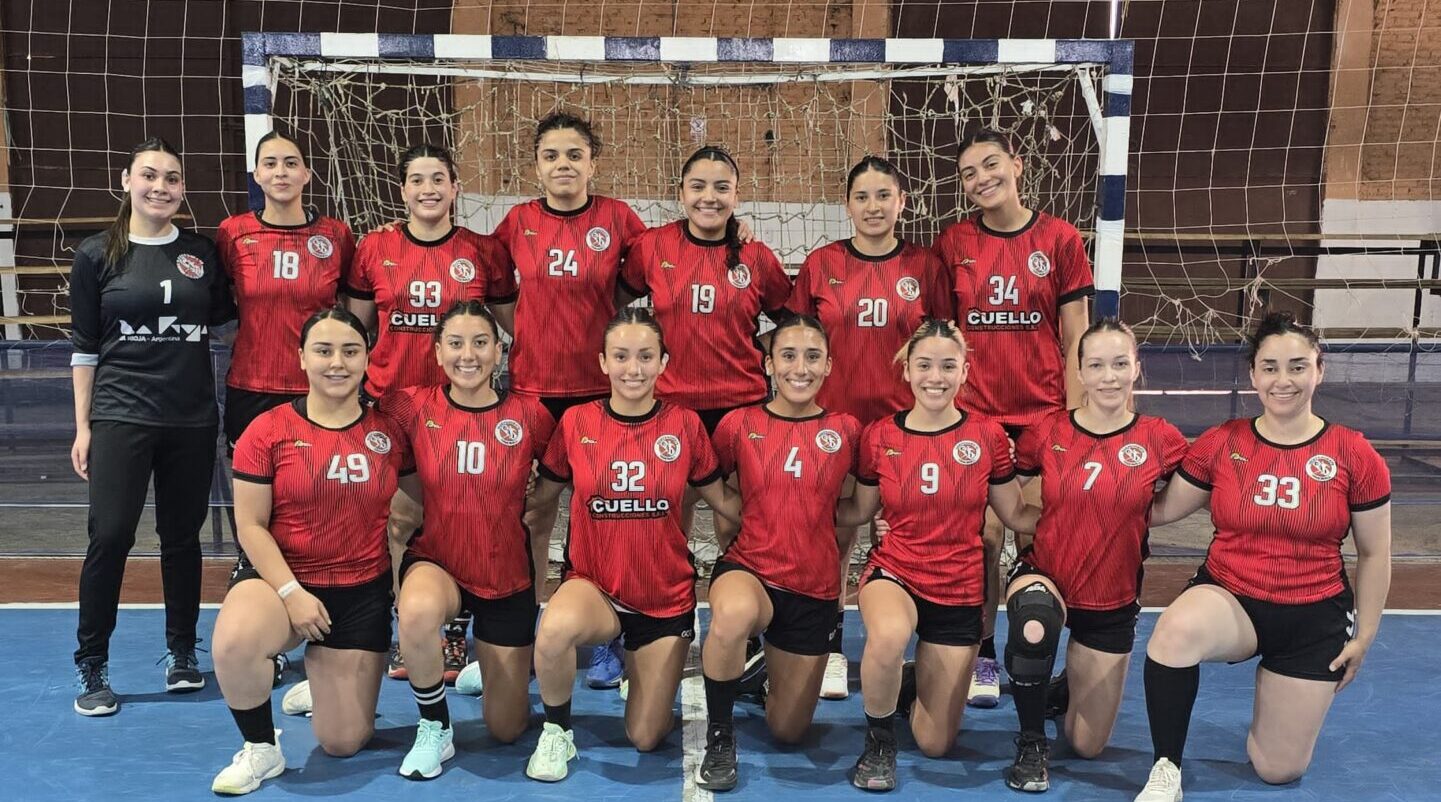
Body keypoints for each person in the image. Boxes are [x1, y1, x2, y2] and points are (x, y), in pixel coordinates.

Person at [1133, 312, 1391, 802]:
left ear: (1320, 370)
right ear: (1253, 374)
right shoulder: (1223, 442)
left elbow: (1375, 553)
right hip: (1233, 599)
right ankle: (1166, 767)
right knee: (1173, 632)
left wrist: (1367, 637)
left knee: (1277, 770)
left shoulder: (1354, 454)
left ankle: (1276, 702)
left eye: (1297, 366)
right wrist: (1095, 493)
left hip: (1313, 618)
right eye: (1270, 367)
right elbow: (1161, 510)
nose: (1283, 380)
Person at [523, 308, 742, 782]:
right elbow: (543, 495)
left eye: (646, 356)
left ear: (664, 362)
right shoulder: (578, 422)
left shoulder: (683, 425)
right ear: (602, 362)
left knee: (645, 736)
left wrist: (796, 517)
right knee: (554, 630)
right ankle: (557, 731)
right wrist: (501, 494)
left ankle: (642, 673)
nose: (633, 368)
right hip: (595, 585)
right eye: (621, 356)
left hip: (663, 599)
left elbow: (723, 501)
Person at [209, 307, 412, 795]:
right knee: (235, 642)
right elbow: (251, 526)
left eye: (350, 350)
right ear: (301, 358)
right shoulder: (268, 430)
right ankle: (261, 748)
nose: (336, 363)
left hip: (361, 590)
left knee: (343, 742)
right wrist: (290, 591)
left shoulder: (389, 434)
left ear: (367, 359)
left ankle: (321, 682)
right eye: (323, 351)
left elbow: (422, 508)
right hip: (281, 581)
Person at [69, 136, 237, 716]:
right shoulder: (96, 255)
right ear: (126, 181)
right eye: (149, 175)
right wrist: (83, 426)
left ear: (183, 189)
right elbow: (85, 348)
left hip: (190, 418)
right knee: (111, 535)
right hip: (120, 414)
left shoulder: (201, 252)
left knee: (182, 539)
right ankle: (92, 664)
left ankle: (181, 654)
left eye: (171, 178)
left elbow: (226, 322)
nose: (160, 186)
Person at [837, 319, 1036, 792]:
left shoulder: (987, 437)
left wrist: (1096, 513)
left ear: (965, 372)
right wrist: (786, 506)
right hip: (897, 571)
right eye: (924, 365)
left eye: (948, 366)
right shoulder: (879, 435)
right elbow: (859, 509)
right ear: (906, 370)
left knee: (935, 743)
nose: (935, 376)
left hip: (959, 587)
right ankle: (879, 740)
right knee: (887, 634)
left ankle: (906, 687)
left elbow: (1015, 514)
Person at [933, 128, 1093, 707]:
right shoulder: (953, 243)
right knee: (982, 539)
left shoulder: (1060, 239)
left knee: (1043, 539)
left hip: (1044, 415)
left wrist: (1075, 420)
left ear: (1018, 165)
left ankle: (1048, 660)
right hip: (976, 419)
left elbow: (1075, 333)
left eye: (991, 164)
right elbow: (944, 334)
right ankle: (983, 653)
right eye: (969, 172)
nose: (981, 178)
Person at [344, 143, 516, 680]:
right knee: (400, 518)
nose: (428, 189)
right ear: (402, 190)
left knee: (462, 516)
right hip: (394, 407)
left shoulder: (484, 250)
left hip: (463, 411)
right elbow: (356, 329)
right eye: (417, 180)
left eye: (438, 178)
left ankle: (456, 632)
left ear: (455, 188)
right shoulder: (374, 248)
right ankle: (407, 629)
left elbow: (515, 326)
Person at [784, 155, 953, 699]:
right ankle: (832, 647)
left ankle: (938, 650)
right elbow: (798, 341)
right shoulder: (822, 262)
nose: (873, 206)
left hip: (908, 431)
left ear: (902, 202)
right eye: (862, 197)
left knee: (920, 539)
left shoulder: (925, 267)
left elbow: (945, 347)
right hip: (834, 428)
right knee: (834, 536)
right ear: (848, 205)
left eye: (884, 195)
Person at [492, 112, 647, 690]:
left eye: (574, 154)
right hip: (532, 393)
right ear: (536, 165)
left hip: (598, 395)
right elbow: (498, 292)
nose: (563, 164)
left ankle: (608, 637)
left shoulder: (618, 219)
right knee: (532, 514)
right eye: (552, 154)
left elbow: (659, 265)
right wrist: (530, 333)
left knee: (599, 518)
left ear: (592, 162)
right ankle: (532, 629)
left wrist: (741, 233)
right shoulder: (517, 222)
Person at [1002, 318, 1187, 792]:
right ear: (1079, 373)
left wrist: (1141, 514)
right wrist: (1030, 523)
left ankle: (1063, 687)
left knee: (1087, 746)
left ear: (1136, 370)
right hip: (1048, 576)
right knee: (1034, 621)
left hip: (1111, 598)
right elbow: (1005, 497)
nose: (1109, 376)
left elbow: (1200, 492)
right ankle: (1029, 742)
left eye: (1120, 364)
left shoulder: (1159, 438)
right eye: (1097, 365)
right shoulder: (1047, 432)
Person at [384, 301, 554, 779]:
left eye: (481, 343)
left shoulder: (530, 415)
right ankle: (435, 727)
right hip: (439, 559)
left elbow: (563, 475)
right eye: (455, 344)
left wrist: (532, 497)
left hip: (506, 574)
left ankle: (492, 671)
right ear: (438, 353)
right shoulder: (410, 406)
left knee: (506, 729)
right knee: (415, 612)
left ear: (499, 352)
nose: (468, 355)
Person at [694, 315, 861, 791]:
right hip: (750, 568)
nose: (800, 368)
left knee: (789, 732)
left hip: (813, 585)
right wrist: (740, 521)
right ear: (769, 365)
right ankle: (721, 737)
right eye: (788, 356)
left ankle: (759, 672)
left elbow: (857, 506)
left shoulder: (846, 431)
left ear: (829, 365)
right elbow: (712, 484)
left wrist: (812, 514)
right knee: (730, 618)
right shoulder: (739, 424)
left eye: (812, 357)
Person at [620, 144, 791, 552]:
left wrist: (759, 348)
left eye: (721, 187)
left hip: (742, 405)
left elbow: (798, 323)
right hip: (673, 405)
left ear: (737, 195)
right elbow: (608, 307)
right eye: (698, 186)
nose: (709, 197)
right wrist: (641, 356)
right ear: (681, 193)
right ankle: (672, 612)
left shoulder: (757, 256)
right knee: (669, 517)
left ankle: (735, 607)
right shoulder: (653, 247)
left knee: (735, 521)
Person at [217, 130, 355, 452]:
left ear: (306, 174)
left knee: (317, 490)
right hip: (252, 384)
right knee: (253, 494)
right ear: (257, 175)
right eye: (271, 163)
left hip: (319, 384)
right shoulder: (233, 232)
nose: (281, 171)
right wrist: (244, 337)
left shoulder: (336, 234)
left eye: (291, 163)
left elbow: (352, 302)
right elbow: (217, 298)